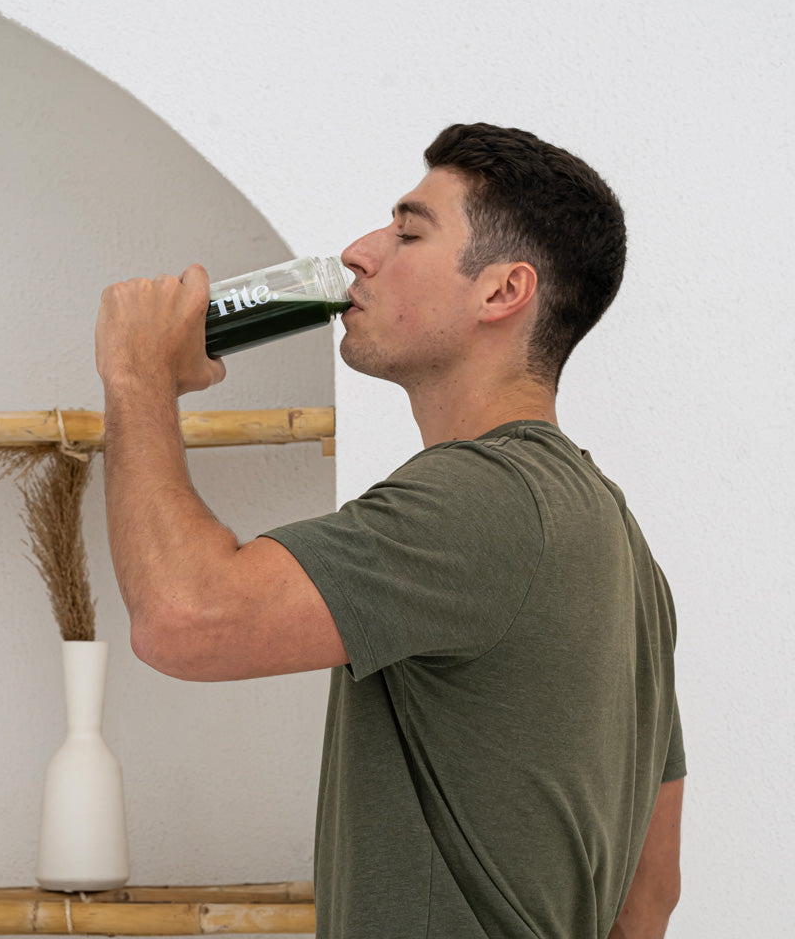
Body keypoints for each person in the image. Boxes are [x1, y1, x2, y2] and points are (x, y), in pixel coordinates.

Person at [94, 122, 686, 939]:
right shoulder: (621, 543)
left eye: (409, 232)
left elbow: (185, 618)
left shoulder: (481, 502)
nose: (360, 253)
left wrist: (136, 376)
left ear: (502, 292)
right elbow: (650, 895)